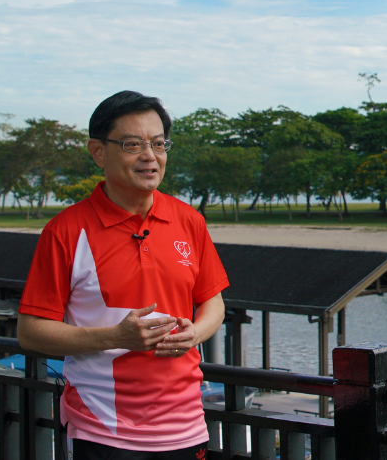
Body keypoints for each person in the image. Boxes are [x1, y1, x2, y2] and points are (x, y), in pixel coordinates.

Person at [18, 91, 229, 459]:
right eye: (133, 144)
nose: (150, 156)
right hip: (103, 429)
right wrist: (115, 337)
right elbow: (31, 331)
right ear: (98, 151)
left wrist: (196, 332)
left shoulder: (189, 220)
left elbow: (213, 302)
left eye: (159, 144)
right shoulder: (66, 231)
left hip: (186, 425)